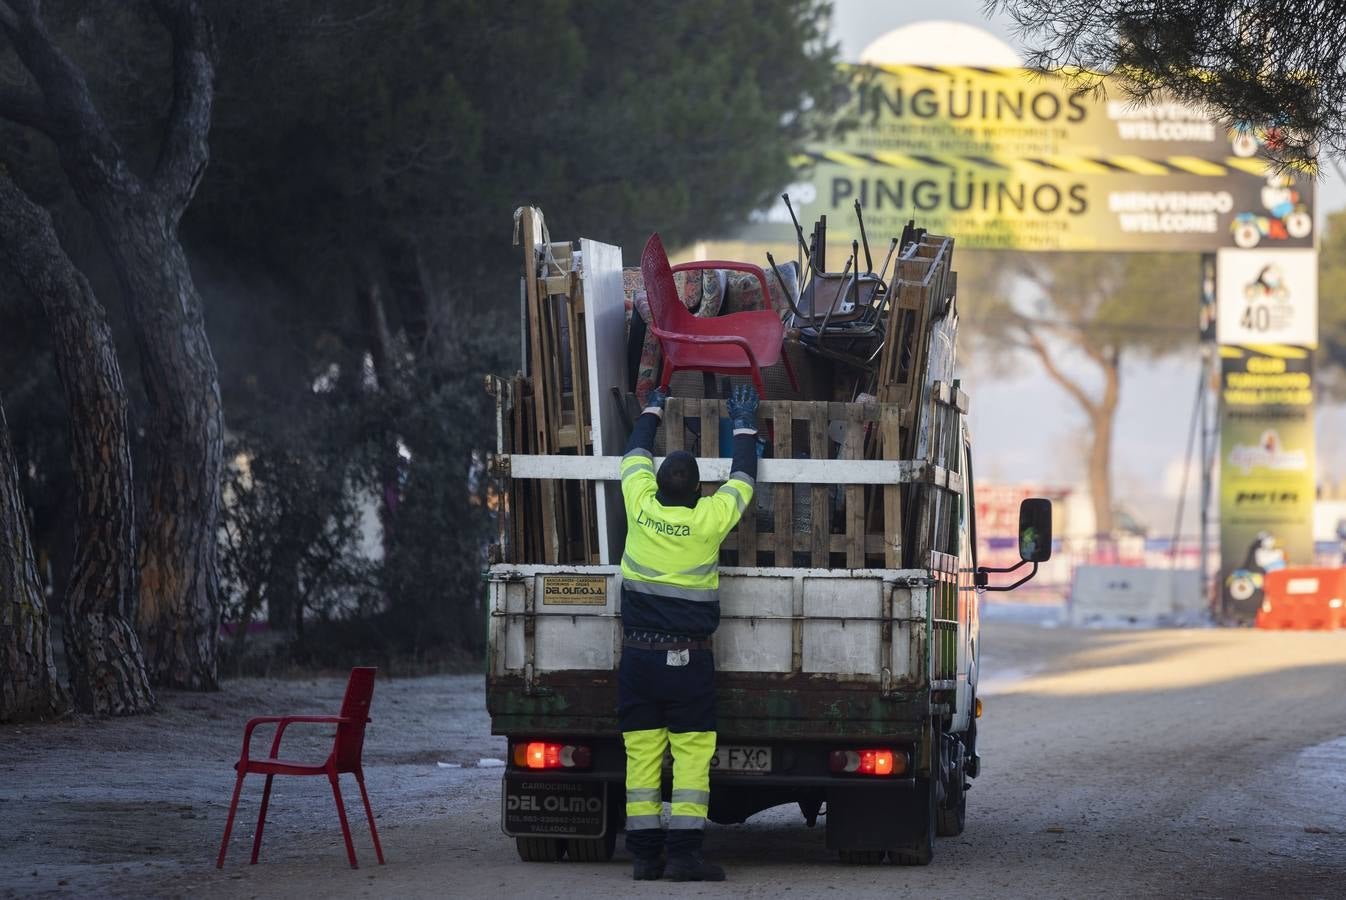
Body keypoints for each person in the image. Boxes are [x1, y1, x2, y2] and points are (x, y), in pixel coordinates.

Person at [617, 382, 759, 882]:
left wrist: (652, 409)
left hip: (637, 661)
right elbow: (742, 480)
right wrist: (743, 424)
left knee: (642, 756)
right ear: (700, 490)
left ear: (657, 486)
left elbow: (634, 454)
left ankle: (643, 858)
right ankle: (683, 858)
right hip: (687, 663)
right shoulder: (707, 521)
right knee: (693, 757)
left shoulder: (640, 507)